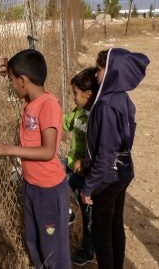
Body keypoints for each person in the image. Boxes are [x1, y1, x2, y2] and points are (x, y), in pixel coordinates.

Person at [0, 49, 70, 268]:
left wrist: (9, 149)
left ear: (23, 81)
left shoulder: (48, 105)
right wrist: (9, 72)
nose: (12, 85)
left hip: (49, 190)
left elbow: (48, 151)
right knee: (34, 241)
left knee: (53, 248)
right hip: (32, 186)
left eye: (13, 81)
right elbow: (20, 82)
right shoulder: (31, 99)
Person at [80, 48, 149, 269]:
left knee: (102, 234)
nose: (96, 75)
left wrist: (88, 187)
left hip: (106, 179)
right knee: (115, 226)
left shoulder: (106, 105)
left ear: (111, 72)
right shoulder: (124, 99)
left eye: (99, 70)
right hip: (122, 172)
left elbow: (105, 152)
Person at [62, 67, 99, 266]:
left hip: (88, 176)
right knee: (56, 180)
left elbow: (102, 148)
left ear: (88, 94)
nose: (73, 98)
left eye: (75, 93)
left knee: (89, 217)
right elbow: (64, 122)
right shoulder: (78, 112)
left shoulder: (96, 117)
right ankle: (66, 211)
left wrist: (86, 161)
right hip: (71, 166)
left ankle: (88, 250)